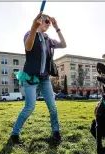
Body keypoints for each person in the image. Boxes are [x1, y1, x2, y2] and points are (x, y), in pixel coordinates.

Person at [9, 12, 67, 145]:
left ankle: (56, 132)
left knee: (53, 107)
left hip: (45, 78)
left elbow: (64, 44)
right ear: (39, 21)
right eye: (46, 21)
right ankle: (15, 134)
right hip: (31, 77)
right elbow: (28, 47)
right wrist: (34, 28)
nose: (48, 24)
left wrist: (57, 27)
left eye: (49, 22)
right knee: (30, 107)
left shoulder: (47, 38)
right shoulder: (29, 34)